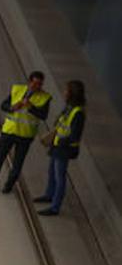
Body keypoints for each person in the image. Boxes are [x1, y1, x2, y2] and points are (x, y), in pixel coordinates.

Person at [0, 71, 51, 193]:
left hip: (25, 135)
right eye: (35, 84)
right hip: (9, 130)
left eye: (40, 84)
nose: (37, 87)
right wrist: (12, 108)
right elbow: (4, 105)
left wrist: (31, 107)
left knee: (18, 162)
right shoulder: (17, 89)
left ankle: (9, 185)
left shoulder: (44, 98)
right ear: (29, 82)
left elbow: (43, 115)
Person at [35, 79, 86, 216]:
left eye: (66, 90)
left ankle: (55, 207)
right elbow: (61, 125)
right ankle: (49, 194)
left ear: (72, 93)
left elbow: (74, 135)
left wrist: (59, 142)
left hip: (64, 149)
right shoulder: (69, 108)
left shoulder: (78, 113)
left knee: (59, 176)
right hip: (57, 146)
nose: (64, 92)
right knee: (52, 172)